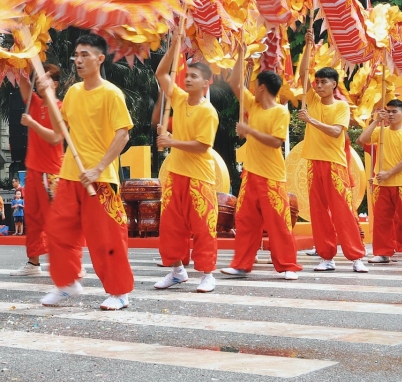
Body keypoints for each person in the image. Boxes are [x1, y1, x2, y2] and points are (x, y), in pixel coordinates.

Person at [37, 33, 135, 310]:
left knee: (107, 239)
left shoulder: (112, 94)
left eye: (85, 55)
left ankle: (120, 293)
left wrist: (99, 168)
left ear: (100, 59)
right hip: (70, 175)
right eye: (76, 55)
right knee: (57, 231)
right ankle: (67, 283)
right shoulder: (73, 93)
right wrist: (48, 95)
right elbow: (59, 134)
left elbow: (123, 135)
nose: (78, 60)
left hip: (100, 178)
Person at [153, 22, 220, 293]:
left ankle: (207, 274)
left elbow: (203, 146)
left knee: (203, 226)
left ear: (206, 83)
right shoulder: (179, 99)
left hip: (200, 176)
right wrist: (173, 46)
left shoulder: (208, 112)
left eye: (194, 76)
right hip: (177, 173)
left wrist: (171, 141)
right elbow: (160, 74)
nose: (188, 79)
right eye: (187, 75)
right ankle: (178, 271)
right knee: (171, 225)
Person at [296, 31, 367, 272]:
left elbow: (337, 132)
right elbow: (303, 74)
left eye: (324, 82)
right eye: (317, 82)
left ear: (334, 84)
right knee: (318, 212)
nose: (318, 85)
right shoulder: (312, 101)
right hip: (313, 164)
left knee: (342, 210)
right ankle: (326, 257)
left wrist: (311, 121)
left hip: (335, 164)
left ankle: (356, 256)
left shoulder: (341, 106)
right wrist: (307, 47)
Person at [220, 65, 299, 278]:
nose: (251, 89)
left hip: (272, 176)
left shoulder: (280, 111)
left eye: (255, 86)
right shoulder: (253, 106)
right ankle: (241, 264)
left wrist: (249, 131)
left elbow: (275, 142)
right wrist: (240, 55)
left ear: (262, 87)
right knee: (245, 221)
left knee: (278, 223)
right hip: (250, 174)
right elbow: (235, 83)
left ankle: (288, 266)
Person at [12, 63, 67, 277]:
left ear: (55, 83)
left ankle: (65, 260)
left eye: (45, 79)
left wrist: (33, 123)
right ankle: (34, 263)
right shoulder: (34, 102)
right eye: (38, 79)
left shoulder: (60, 107)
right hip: (33, 170)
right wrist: (21, 56)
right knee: (32, 218)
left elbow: (55, 138)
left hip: (51, 172)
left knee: (54, 218)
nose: (39, 83)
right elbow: (22, 78)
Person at [359, 99, 402, 265]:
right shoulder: (381, 131)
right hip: (382, 184)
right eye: (388, 111)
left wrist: (389, 173)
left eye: (395, 111)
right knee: (382, 220)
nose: (391, 114)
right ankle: (383, 252)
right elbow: (362, 140)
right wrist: (375, 120)